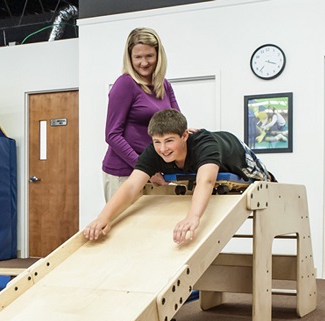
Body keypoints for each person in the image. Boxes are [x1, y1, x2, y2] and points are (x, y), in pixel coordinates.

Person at [85, 109, 274, 245]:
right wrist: (103, 218)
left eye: (169, 141)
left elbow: (206, 181)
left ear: (184, 135)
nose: (163, 148)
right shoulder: (154, 151)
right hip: (198, 163)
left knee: (264, 178)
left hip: (235, 152)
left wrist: (193, 217)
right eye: (157, 142)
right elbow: (132, 185)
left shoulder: (205, 144)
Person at [102, 27, 181, 201]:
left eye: (149, 56)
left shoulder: (164, 85)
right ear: (130, 58)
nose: (144, 63)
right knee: (125, 220)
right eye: (138, 57)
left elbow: (177, 125)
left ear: (158, 56)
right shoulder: (125, 84)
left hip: (155, 171)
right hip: (125, 173)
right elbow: (112, 135)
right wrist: (145, 169)